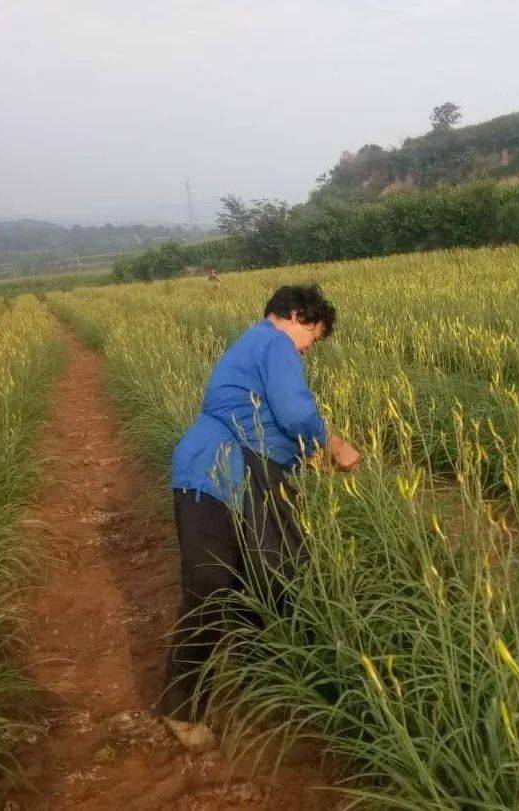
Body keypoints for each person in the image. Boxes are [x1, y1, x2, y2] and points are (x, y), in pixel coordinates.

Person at [161, 284, 360, 751]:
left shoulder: (253, 345)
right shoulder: (274, 341)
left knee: (263, 578)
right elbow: (294, 411)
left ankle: (267, 684)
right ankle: (185, 709)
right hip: (215, 475)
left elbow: (267, 422)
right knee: (215, 585)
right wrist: (334, 446)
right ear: (295, 315)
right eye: (314, 335)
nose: (310, 347)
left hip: (233, 475)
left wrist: (302, 456)